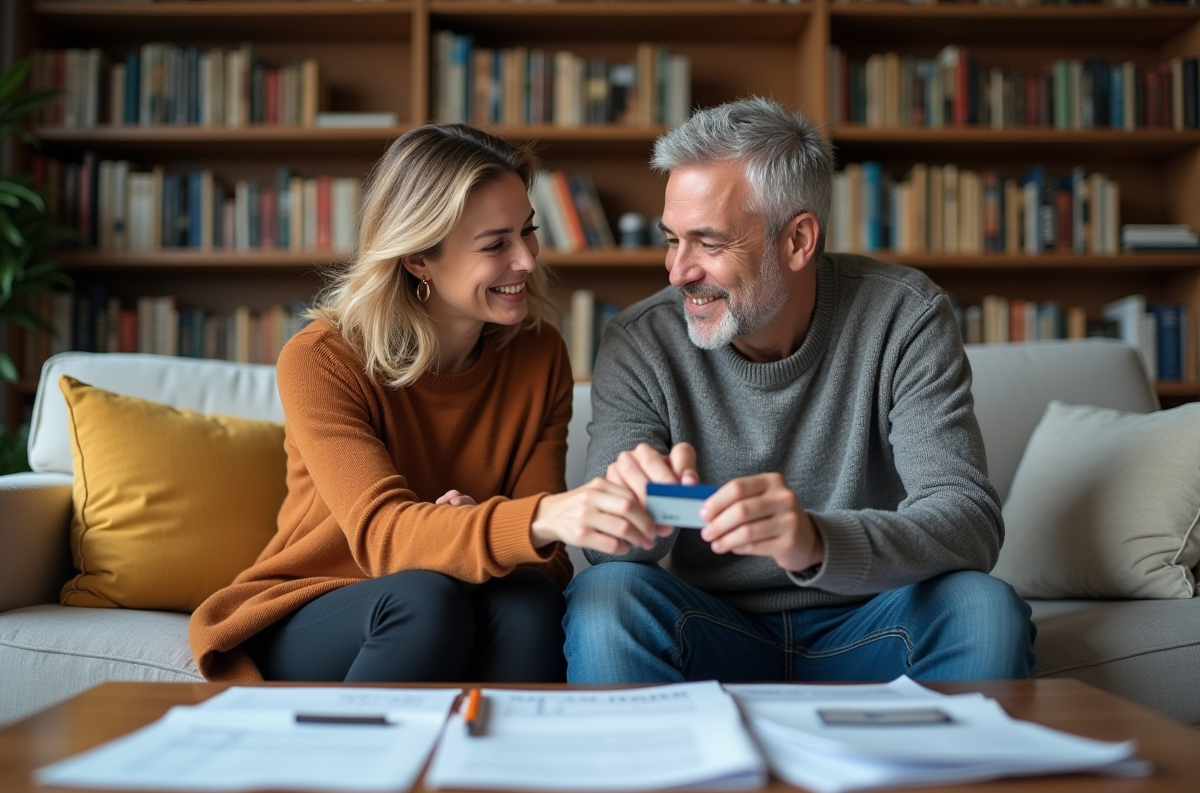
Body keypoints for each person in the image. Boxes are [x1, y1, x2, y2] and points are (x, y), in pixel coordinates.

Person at [564, 97, 1035, 684]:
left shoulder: (904, 315)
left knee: (982, 608)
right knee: (607, 595)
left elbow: (967, 520)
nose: (678, 271)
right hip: (710, 628)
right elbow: (605, 555)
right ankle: (654, 776)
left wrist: (817, 540)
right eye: (671, 240)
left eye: (708, 243)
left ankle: (938, 777)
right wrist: (634, 515)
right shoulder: (640, 340)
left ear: (797, 241)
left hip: (871, 622)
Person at [189, 123, 661, 684]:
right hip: (322, 599)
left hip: (458, 595)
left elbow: (551, 561)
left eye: (527, 232)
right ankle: (351, 770)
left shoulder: (539, 355)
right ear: (418, 258)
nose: (528, 261)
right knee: (423, 599)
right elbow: (383, 537)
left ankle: (505, 770)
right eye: (495, 245)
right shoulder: (321, 359)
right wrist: (532, 519)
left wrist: (476, 532)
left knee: (530, 602)